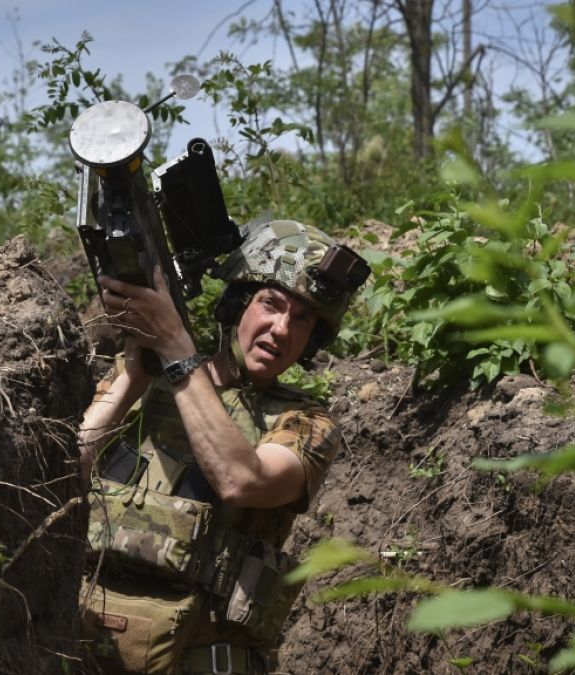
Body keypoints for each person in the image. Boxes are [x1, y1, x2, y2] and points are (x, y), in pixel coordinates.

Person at [78, 219, 369, 675]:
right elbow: (62, 476)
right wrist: (134, 378)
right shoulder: (142, 378)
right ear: (237, 303)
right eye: (270, 304)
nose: (281, 328)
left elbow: (241, 480)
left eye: (302, 319)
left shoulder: (308, 423)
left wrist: (177, 353)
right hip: (89, 648)